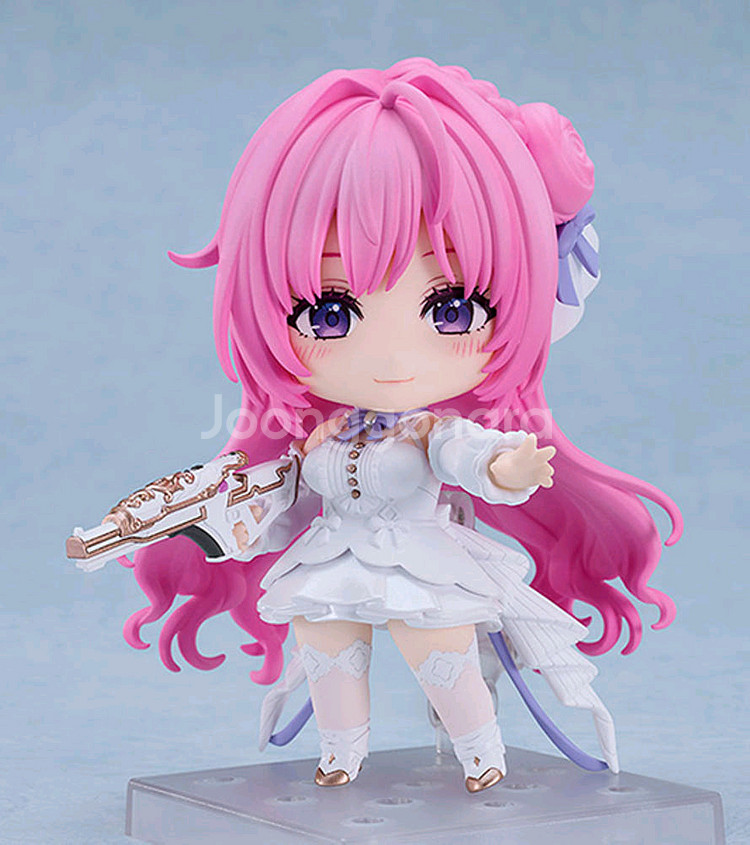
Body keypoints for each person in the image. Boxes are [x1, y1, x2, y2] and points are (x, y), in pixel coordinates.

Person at [120, 58, 681, 792]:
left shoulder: (429, 433)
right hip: (334, 555)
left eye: (453, 309)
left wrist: (506, 466)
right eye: (329, 313)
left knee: (435, 645)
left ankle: (480, 750)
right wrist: (233, 519)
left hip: (422, 558)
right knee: (324, 641)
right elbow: (285, 503)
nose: (389, 358)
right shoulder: (319, 436)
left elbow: (467, 455)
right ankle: (340, 752)